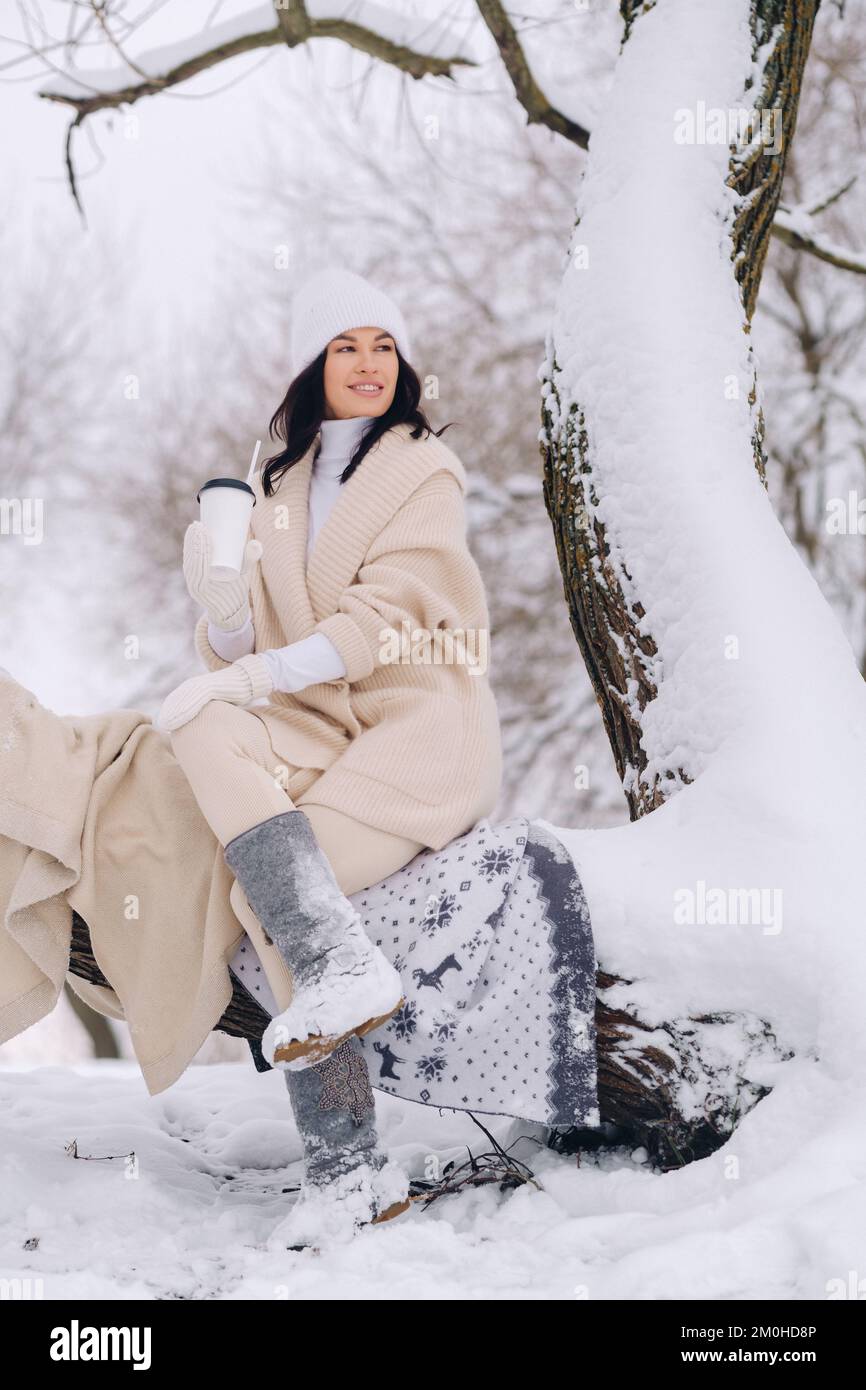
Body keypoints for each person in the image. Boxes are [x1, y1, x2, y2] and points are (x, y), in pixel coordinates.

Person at [157, 267, 503, 1246]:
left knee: (255, 895)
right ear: (315, 365)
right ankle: (344, 985)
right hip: (318, 724)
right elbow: (245, 653)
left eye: (382, 346)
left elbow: (385, 620)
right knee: (197, 719)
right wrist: (224, 619)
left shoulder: (419, 469)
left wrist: (253, 674)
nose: (367, 364)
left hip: (413, 720)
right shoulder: (279, 488)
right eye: (346, 346)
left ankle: (346, 1166)